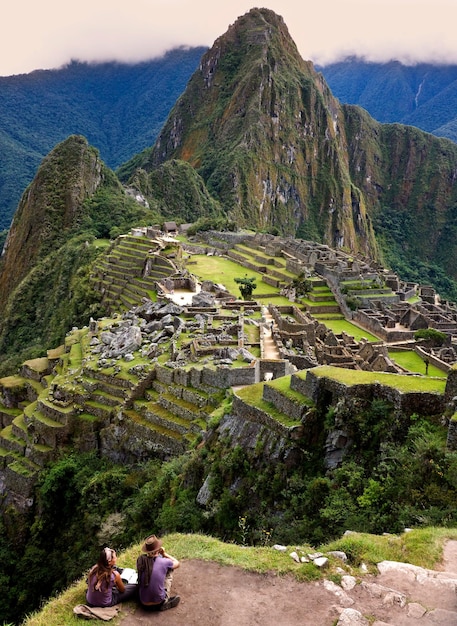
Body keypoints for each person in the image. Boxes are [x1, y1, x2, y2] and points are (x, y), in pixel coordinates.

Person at [136, 534, 180, 611]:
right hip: (158, 601)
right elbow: (177, 563)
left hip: (143, 601)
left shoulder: (141, 560)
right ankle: (165, 601)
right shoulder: (164, 562)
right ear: (158, 549)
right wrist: (164, 554)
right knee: (170, 570)